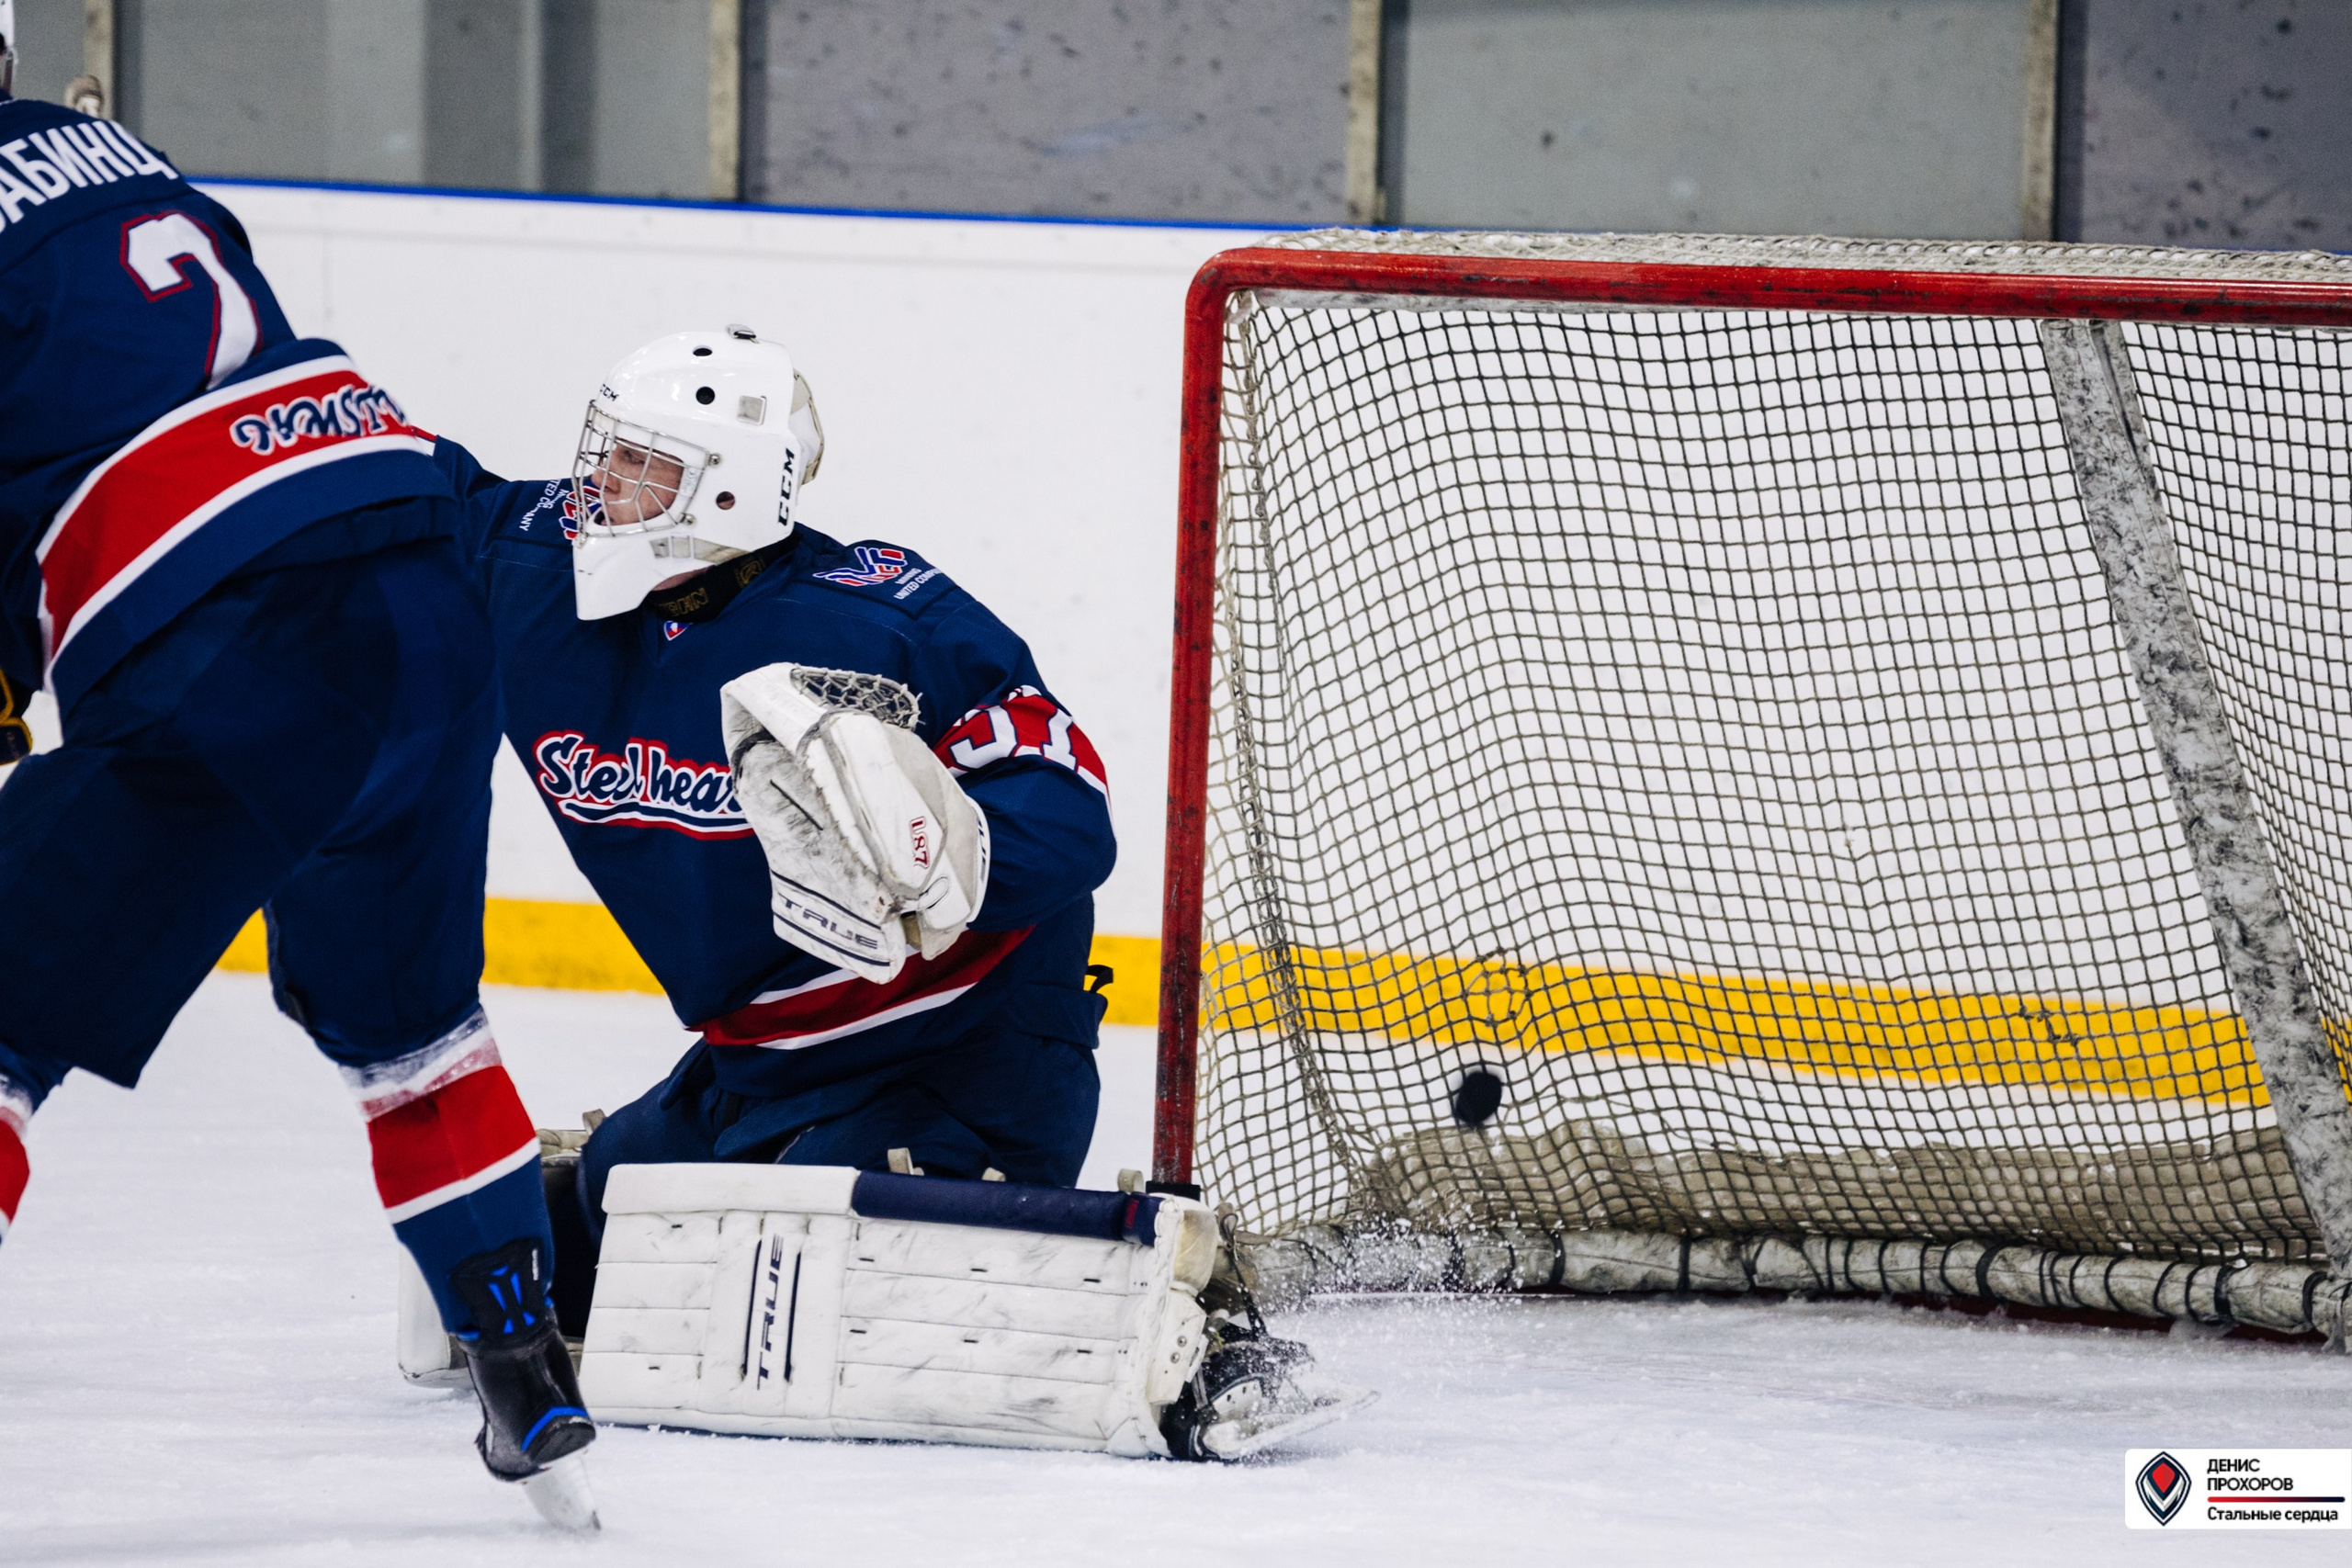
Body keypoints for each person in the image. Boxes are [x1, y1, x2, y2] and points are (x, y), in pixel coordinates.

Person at [0, 29, 595, 1529]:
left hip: (246, 629)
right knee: (408, 1026)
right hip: (412, 564)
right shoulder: (124, 160)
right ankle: (523, 1353)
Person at [436, 327, 1119, 1327]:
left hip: (964, 1056)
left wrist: (945, 864)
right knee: (588, 1243)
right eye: (609, 453)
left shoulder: (881, 621)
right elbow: (398, 493)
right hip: (757, 1061)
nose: (602, 487)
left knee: (800, 1268)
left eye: (641, 464)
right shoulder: (530, 571)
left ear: (727, 491)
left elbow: (1070, 809)